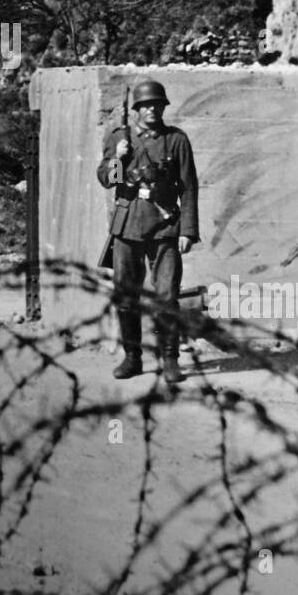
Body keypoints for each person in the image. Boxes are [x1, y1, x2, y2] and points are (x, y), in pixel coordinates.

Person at [96, 79, 199, 385]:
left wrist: (187, 230)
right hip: (127, 225)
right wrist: (119, 158)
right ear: (137, 110)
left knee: (167, 295)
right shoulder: (118, 137)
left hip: (165, 225)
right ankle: (133, 357)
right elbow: (106, 178)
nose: (152, 110)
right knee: (126, 294)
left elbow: (189, 186)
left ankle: (169, 359)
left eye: (157, 105)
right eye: (145, 106)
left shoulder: (176, 140)